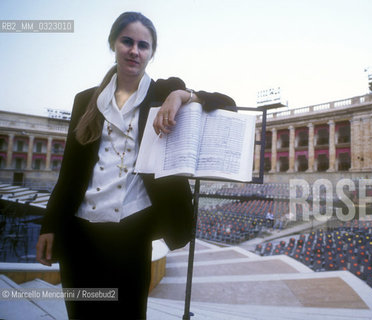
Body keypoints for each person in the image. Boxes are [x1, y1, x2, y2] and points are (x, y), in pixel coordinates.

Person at [35, 12, 235, 319]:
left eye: (143, 45)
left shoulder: (163, 91)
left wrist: (182, 96)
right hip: (79, 234)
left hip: (132, 232)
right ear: (113, 44)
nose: (134, 50)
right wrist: (49, 225)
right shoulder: (85, 100)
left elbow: (227, 103)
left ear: (151, 53)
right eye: (127, 41)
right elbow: (70, 170)